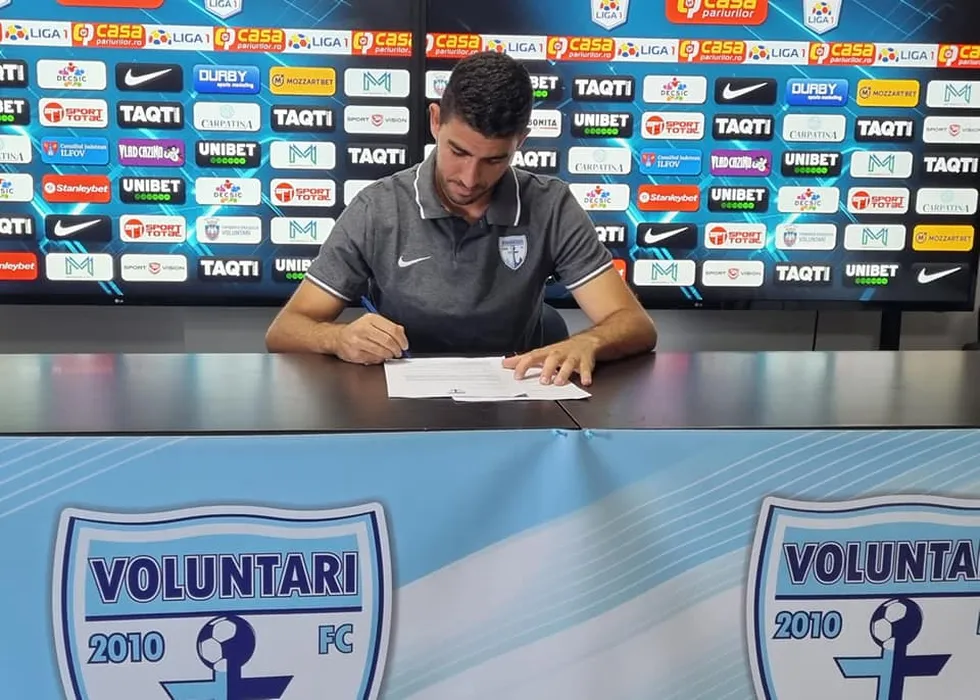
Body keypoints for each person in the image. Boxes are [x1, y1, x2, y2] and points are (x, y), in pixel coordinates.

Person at [265, 51, 657, 386]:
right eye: (458, 152)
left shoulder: (550, 204)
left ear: (521, 142)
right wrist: (338, 339)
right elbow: (285, 329)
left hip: (518, 400)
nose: (470, 179)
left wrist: (589, 342)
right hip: (400, 405)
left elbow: (635, 324)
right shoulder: (376, 208)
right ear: (435, 121)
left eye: (494, 160)